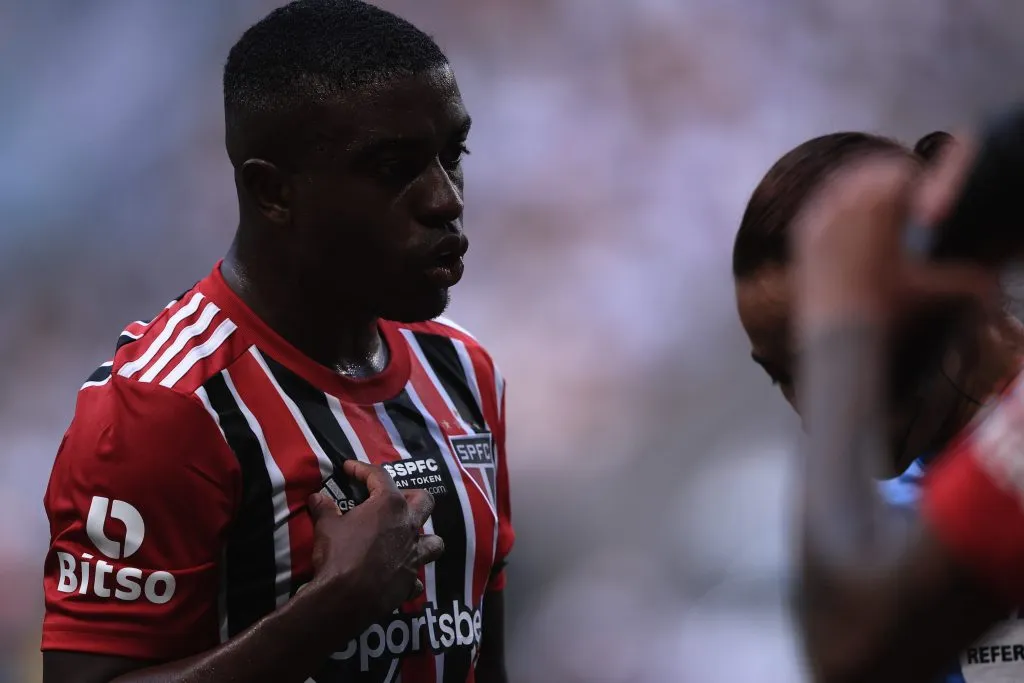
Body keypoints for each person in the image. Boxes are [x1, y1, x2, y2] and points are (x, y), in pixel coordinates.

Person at [40, 2, 513, 682]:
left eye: (452, 154)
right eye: (392, 167)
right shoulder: (165, 407)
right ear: (272, 191)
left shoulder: (466, 371)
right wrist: (329, 607)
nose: (446, 198)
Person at [733, 131, 1024, 683]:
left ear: (945, 279)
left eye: (850, 347)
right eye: (782, 378)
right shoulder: (872, 531)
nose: (819, 414)